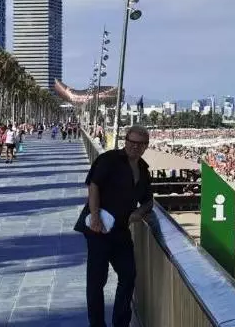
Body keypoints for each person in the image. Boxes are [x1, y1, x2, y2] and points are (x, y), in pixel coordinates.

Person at [75, 125, 153, 327]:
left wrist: (140, 211)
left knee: (128, 275)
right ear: (125, 141)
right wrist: (95, 216)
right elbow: (93, 185)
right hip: (98, 228)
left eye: (140, 144)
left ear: (146, 146)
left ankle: (120, 323)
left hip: (121, 230)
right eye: (131, 142)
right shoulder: (109, 159)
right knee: (96, 282)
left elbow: (148, 200)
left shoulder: (143, 169)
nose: (135, 146)